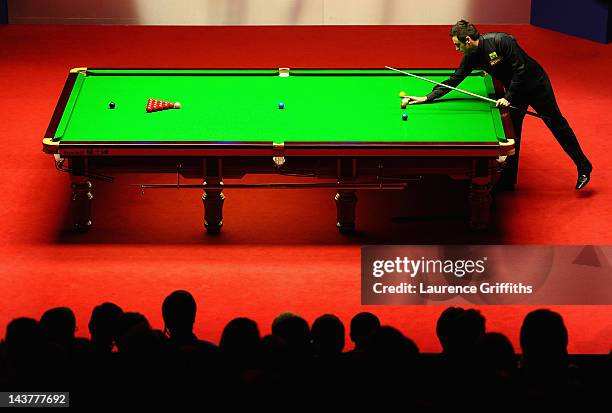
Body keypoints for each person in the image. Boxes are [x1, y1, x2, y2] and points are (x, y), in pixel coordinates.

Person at [406, 20, 592, 190]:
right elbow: (455, 79)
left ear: (468, 40)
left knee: (556, 124)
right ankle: (508, 181)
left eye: (457, 45)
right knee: (513, 135)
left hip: (536, 85)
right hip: (514, 92)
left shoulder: (501, 41)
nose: (456, 49)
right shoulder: (471, 56)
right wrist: (428, 97)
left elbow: (521, 69)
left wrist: (508, 96)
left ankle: (584, 167)